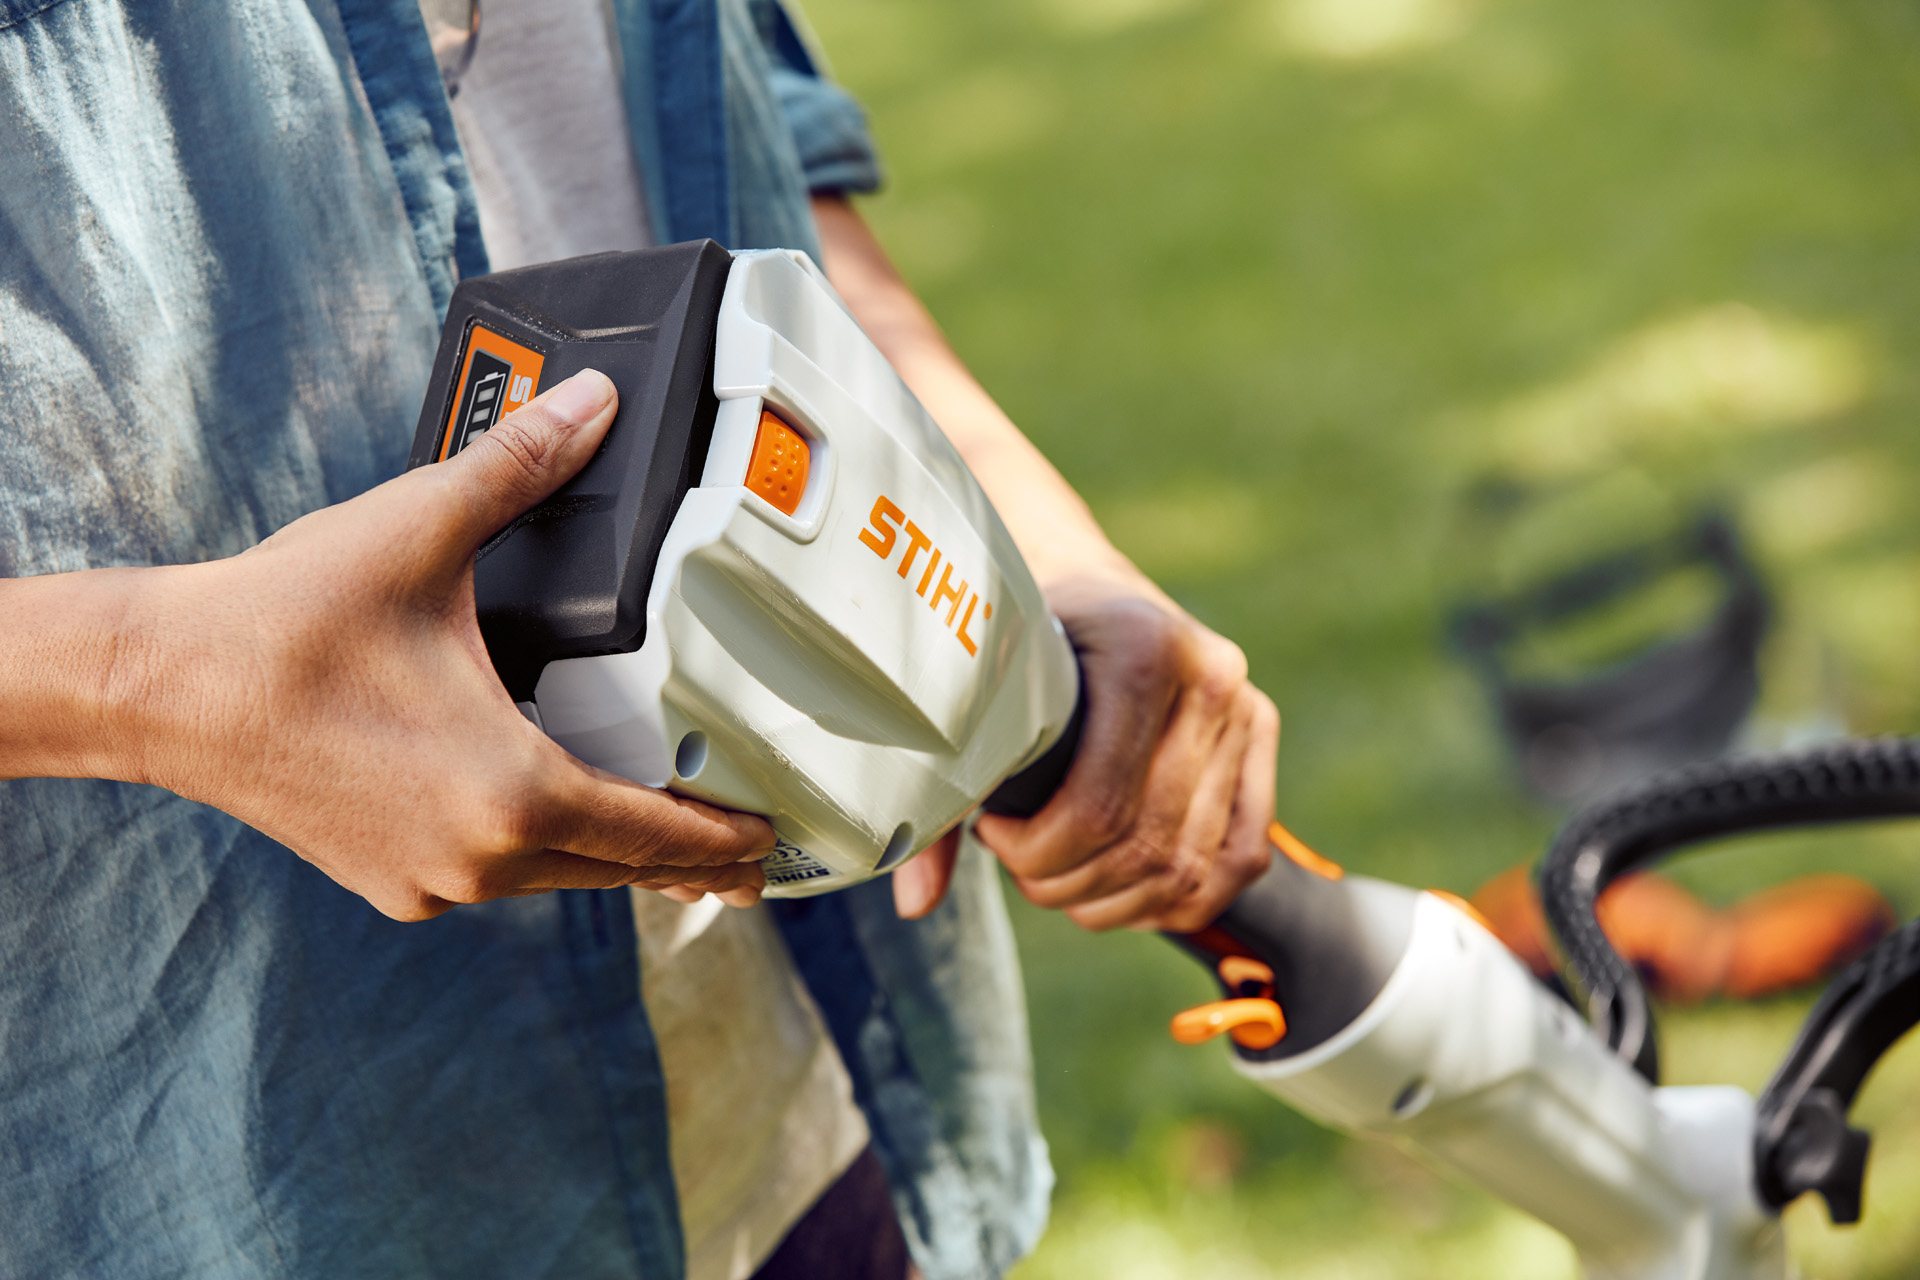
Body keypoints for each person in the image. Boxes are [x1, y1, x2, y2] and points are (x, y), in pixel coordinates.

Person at [0, 2, 1278, 1278]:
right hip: (287, 1166)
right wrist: (131, 678)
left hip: (807, 1097)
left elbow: (756, 137)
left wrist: (1023, 560)